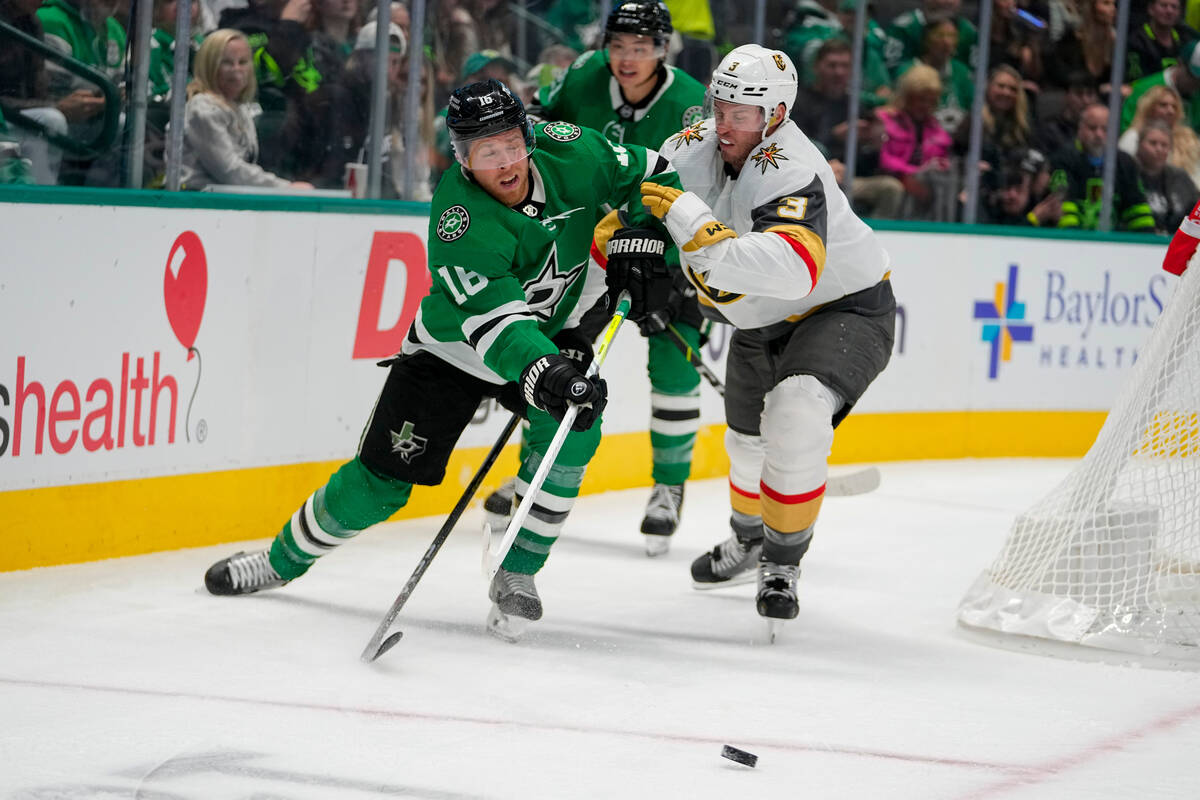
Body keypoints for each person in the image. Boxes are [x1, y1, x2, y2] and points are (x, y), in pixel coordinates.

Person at [203, 78, 682, 641]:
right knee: (379, 486)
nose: (504, 164)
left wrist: (648, 238)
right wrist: (547, 368)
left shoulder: (571, 148)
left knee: (574, 425)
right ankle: (281, 561)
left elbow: (659, 171)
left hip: (549, 333)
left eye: (510, 144)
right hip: (455, 349)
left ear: (529, 135)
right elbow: (497, 327)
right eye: (485, 152)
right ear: (461, 157)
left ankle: (518, 573)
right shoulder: (458, 219)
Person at [621, 44, 895, 631]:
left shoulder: (793, 167)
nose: (724, 125)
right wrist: (635, 257)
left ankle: (782, 561)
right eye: (718, 107)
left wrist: (693, 230)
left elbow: (795, 269)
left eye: (740, 114)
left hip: (842, 309)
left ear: (774, 116)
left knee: (794, 416)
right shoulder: (694, 147)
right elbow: (636, 204)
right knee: (746, 444)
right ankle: (748, 540)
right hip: (759, 321)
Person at [489, 0, 708, 555]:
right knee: (559, 361)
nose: (627, 59)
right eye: (618, 47)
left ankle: (667, 487)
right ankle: (531, 475)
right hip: (583, 249)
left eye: (640, 48)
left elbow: (705, 182)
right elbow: (533, 122)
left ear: (662, 50)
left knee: (671, 355)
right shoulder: (586, 75)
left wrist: (668, 246)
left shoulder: (690, 103)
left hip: (664, 248)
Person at [176, 28, 314, 190]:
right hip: (197, 200)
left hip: (229, 195)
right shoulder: (202, 108)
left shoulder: (240, 107)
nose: (237, 70)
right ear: (209, 64)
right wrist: (285, 187)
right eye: (227, 62)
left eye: (242, 62)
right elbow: (229, 171)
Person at [791, 37, 903, 219]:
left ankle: (868, 238)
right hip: (811, 176)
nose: (838, 72)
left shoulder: (856, 105)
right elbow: (795, 146)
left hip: (849, 178)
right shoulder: (800, 101)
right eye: (832, 65)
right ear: (817, 67)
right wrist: (835, 138)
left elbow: (866, 164)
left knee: (891, 188)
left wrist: (874, 144)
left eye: (844, 66)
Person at [1050, 103, 1156, 231]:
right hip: (1076, 241)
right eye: (1092, 128)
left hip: (1115, 243)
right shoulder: (1064, 159)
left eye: (1105, 129)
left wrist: (1146, 240)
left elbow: (1137, 207)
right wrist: (1076, 240)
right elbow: (1063, 204)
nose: (1099, 134)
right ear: (1080, 129)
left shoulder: (1126, 163)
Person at [877, 63, 955, 219]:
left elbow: (942, 159)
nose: (925, 106)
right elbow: (882, 159)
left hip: (924, 187)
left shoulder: (937, 130)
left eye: (931, 101)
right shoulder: (886, 120)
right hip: (893, 179)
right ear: (907, 97)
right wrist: (910, 173)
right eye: (920, 99)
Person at [1119, 83, 1200, 186]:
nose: (1170, 111)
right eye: (1163, 105)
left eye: (1174, 107)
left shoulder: (1188, 139)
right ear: (1149, 107)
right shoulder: (1132, 137)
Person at [1134, 118, 1200, 231]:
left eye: (1164, 145)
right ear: (1139, 144)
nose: (1159, 149)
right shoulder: (1127, 172)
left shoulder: (1180, 177)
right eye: (1153, 143)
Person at [1126, 0, 1199, 82]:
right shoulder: (1136, 41)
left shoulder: (1186, 39)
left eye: (1174, 7)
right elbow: (1134, 80)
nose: (1169, 11)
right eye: (1164, 6)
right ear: (1151, 9)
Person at [1035, 69, 1098, 156]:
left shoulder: (1102, 131)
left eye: (1090, 94)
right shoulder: (1050, 129)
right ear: (1066, 96)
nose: (1086, 100)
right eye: (1079, 94)